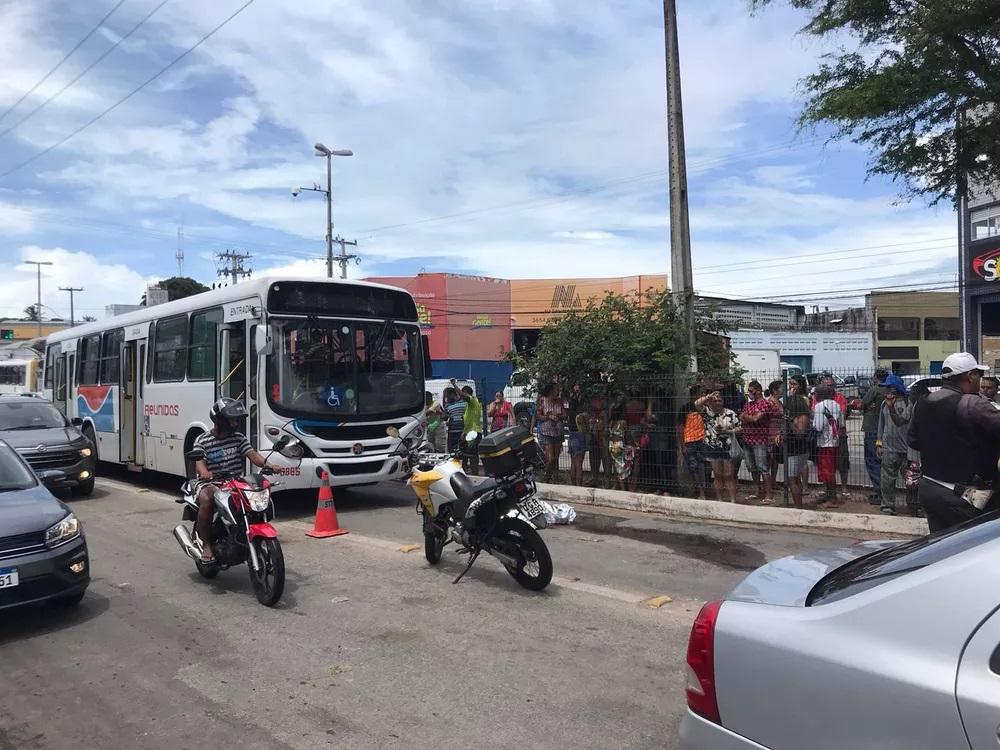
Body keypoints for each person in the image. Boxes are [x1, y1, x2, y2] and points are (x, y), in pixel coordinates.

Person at [908, 352, 1000, 532]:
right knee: (971, 549)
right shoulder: (972, 403)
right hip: (961, 496)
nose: (980, 381)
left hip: (929, 489)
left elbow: (913, 441)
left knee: (942, 546)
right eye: (979, 375)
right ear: (970, 376)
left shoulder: (923, 403)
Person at [192, 398, 280, 563]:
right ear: (219, 420)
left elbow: (253, 455)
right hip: (211, 482)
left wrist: (269, 465)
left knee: (254, 495)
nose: (234, 423)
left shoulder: (238, 438)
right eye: (231, 419)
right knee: (207, 498)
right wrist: (205, 473)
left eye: (236, 419)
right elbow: (199, 463)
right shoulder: (202, 440)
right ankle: (206, 545)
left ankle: (242, 533)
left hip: (234, 481)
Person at [876, 374, 910, 516]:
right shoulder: (884, 404)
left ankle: (915, 505)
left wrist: (892, 407)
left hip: (907, 449)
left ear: (895, 389)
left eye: (889, 388)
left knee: (911, 481)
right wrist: (879, 443)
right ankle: (887, 505)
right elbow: (881, 425)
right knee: (887, 479)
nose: (886, 391)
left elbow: (901, 421)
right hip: (888, 448)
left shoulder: (908, 404)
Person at [813, 376, 851, 500]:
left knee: (827, 471)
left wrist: (811, 424)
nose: (815, 396)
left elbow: (817, 427)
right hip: (835, 440)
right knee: (832, 469)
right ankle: (830, 495)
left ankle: (832, 498)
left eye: (816, 393)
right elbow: (842, 423)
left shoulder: (819, 406)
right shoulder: (836, 405)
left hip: (824, 442)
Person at [702, 391, 740, 503]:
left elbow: (739, 427)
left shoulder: (730, 413)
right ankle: (719, 499)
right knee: (717, 474)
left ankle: (733, 500)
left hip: (727, 447)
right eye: (715, 401)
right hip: (713, 447)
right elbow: (696, 404)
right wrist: (708, 396)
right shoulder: (707, 413)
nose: (717, 402)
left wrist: (728, 431)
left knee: (729, 474)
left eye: (719, 400)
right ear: (710, 402)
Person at [740, 381, 773, 503]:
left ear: (759, 391)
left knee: (762, 467)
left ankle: (769, 494)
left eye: (751, 391)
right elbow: (741, 416)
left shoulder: (765, 404)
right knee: (752, 467)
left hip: (760, 440)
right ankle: (757, 491)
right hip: (747, 439)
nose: (750, 393)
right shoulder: (749, 404)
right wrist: (749, 417)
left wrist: (747, 417)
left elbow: (756, 418)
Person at [782, 376, 812, 509]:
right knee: (794, 478)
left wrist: (789, 422)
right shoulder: (792, 414)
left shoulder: (802, 415)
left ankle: (798, 507)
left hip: (798, 449)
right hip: (791, 448)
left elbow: (800, 433)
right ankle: (797, 505)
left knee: (792, 479)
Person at [861, 369, 889, 505]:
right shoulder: (889, 390)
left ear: (876, 377)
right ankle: (884, 491)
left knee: (872, 461)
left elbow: (863, 403)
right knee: (883, 462)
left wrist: (868, 405)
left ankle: (879, 491)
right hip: (884, 429)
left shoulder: (875, 389)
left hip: (872, 428)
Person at [678, 385, 711, 500]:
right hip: (690, 442)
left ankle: (703, 490)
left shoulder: (704, 409)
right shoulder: (685, 408)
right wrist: (682, 445)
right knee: (694, 468)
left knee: (703, 466)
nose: (702, 396)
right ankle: (701, 492)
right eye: (700, 394)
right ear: (694, 395)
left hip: (702, 441)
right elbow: (681, 427)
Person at [534, 382, 565, 482]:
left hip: (558, 431)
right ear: (551, 391)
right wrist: (548, 417)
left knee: (556, 457)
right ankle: (547, 476)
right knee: (550, 458)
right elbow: (538, 415)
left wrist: (558, 416)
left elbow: (565, 415)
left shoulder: (559, 401)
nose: (558, 392)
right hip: (547, 432)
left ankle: (555, 478)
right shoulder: (542, 400)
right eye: (556, 390)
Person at [452, 380, 482, 475]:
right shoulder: (470, 405)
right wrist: (463, 433)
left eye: (463, 393)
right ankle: (465, 473)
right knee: (463, 454)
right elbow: (468, 421)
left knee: (472, 456)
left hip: (473, 432)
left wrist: (454, 384)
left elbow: (462, 395)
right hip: (469, 432)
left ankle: (475, 475)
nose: (461, 396)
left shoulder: (472, 400)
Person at [565, 384, 588, 486]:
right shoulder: (580, 416)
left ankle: (573, 484)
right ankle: (579, 485)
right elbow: (584, 428)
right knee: (579, 464)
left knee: (573, 463)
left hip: (571, 436)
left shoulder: (570, 415)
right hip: (579, 437)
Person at [765, 380, 785, 493]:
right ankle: (768, 483)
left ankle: (773, 481)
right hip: (770, 433)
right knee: (769, 459)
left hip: (778, 433)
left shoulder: (779, 402)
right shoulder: (770, 403)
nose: (784, 390)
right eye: (781, 388)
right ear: (774, 390)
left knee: (775, 460)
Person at [443, 387, 466, 453]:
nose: (447, 398)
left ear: (453, 394)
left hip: (462, 431)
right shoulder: (447, 405)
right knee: (452, 450)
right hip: (452, 432)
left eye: (448, 396)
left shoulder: (463, 402)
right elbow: (444, 418)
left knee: (463, 450)